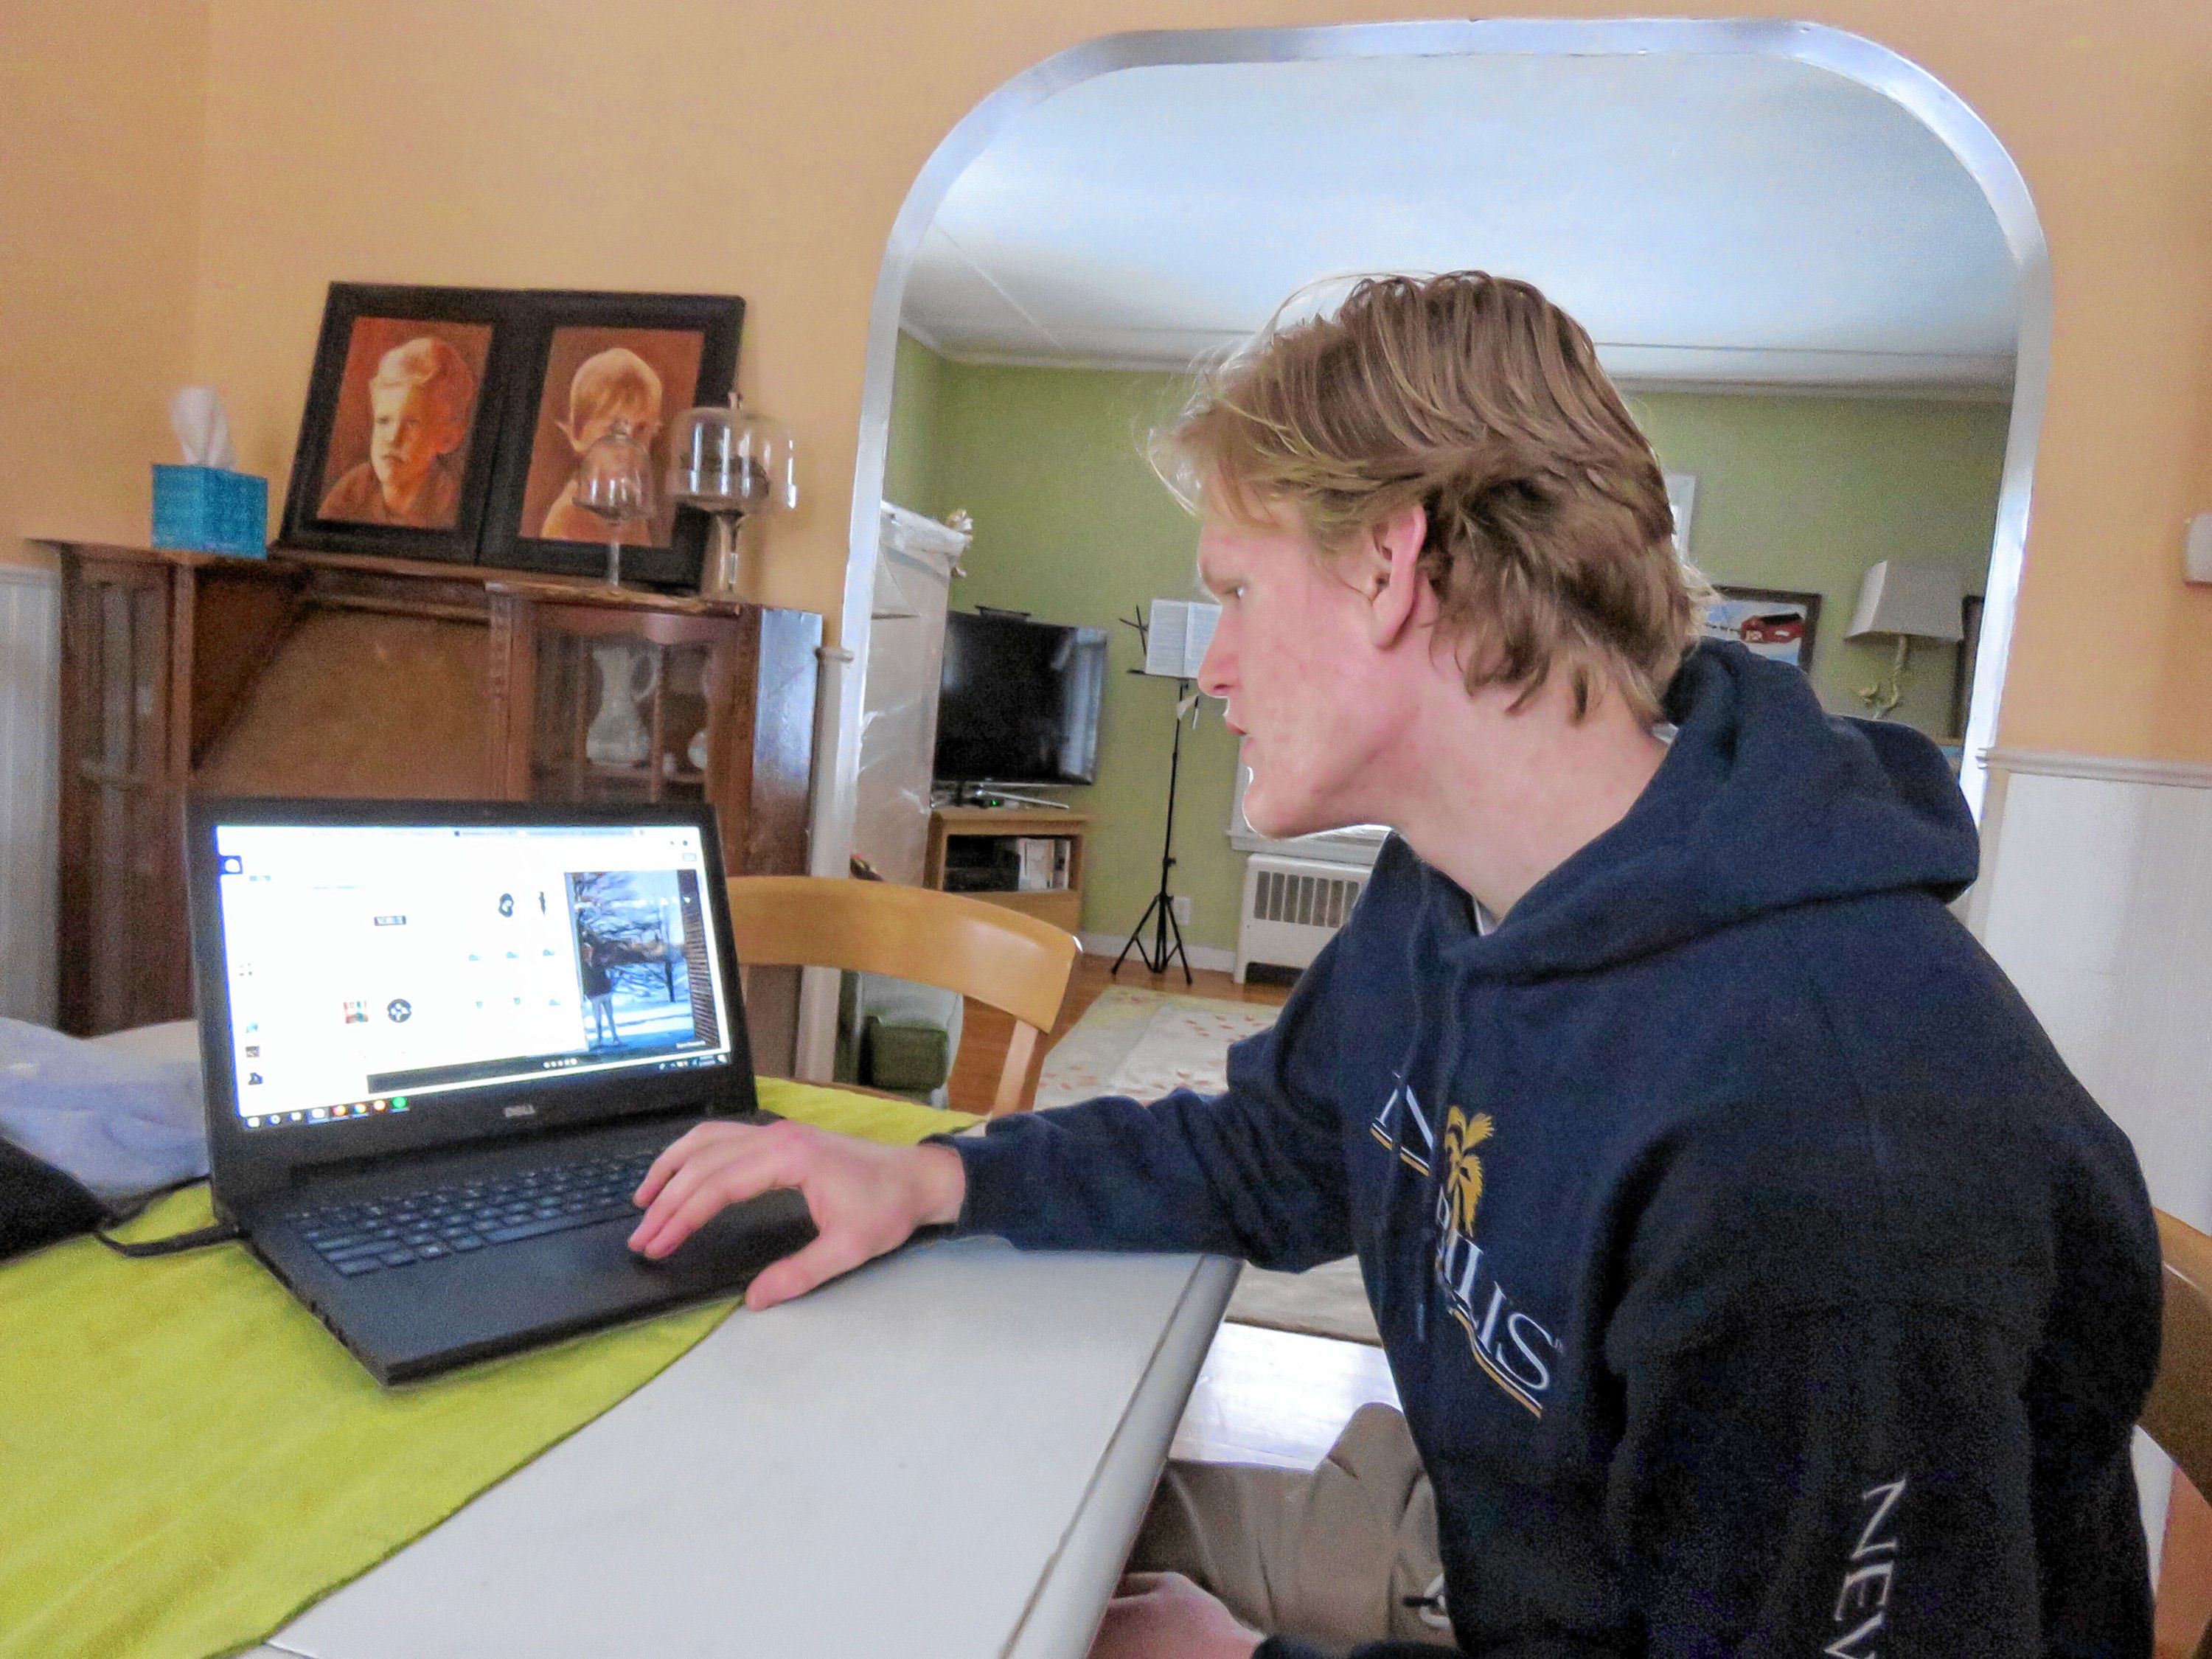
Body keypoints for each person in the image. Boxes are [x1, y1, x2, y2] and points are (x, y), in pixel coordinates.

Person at [626, 273, 2163, 1658]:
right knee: (922, 1530)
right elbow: (1277, 1148)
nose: (1213, 662)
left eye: (1234, 589)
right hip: (1486, 1554)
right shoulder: (1454, 886)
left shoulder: (1828, 1154)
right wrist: (939, 1179)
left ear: (1388, 567)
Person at [319, 335, 476, 527]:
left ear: (448, 439)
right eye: (384, 421)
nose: (393, 438)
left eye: (412, 424)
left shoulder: (449, 506)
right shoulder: (352, 492)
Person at [536, 345, 664, 542]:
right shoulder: (568, 513)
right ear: (578, 433)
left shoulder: (631, 506)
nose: (626, 446)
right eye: (613, 429)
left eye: (641, 430)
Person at [580, 938, 617, 1047]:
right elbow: (584, 981)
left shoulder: (597, 961)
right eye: (586, 950)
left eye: (589, 950)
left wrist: (609, 988)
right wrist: (587, 993)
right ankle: (599, 1039)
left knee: (610, 1016)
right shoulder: (582, 966)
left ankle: (615, 1037)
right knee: (597, 1018)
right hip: (594, 995)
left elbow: (605, 974)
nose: (589, 952)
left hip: (605, 993)